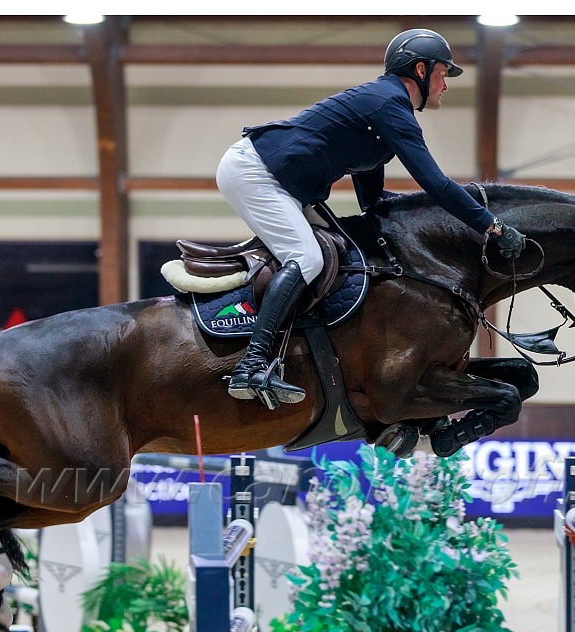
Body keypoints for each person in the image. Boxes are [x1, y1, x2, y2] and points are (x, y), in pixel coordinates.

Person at [216, 28, 525, 409]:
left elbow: (374, 201)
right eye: (444, 74)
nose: (446, 85)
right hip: (257, 173)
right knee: (307, 258)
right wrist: (492, 227)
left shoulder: (385, 109)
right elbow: (437, 184)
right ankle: (253, 364)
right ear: (422, 70)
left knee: (340, 252)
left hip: (281, 181)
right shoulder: (388, 106)